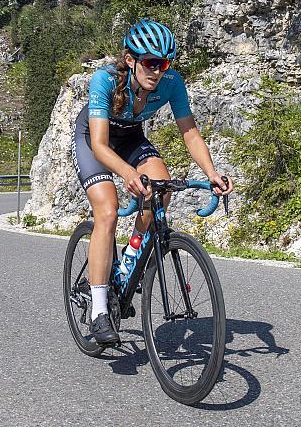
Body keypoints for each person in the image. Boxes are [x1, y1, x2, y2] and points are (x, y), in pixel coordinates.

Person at [71, 18, 234, 345]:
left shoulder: (172, 82)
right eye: (151, 63)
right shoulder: (104, 79)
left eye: (164, 63)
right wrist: (129, 174)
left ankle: (131, 259)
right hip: (96, 139)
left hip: (131, 137)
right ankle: (99, 310)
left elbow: (189, 131)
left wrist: (211, 173)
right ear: (131, 60)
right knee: (107, 211)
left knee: (160, 188)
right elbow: (101, 145)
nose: (158, 71)